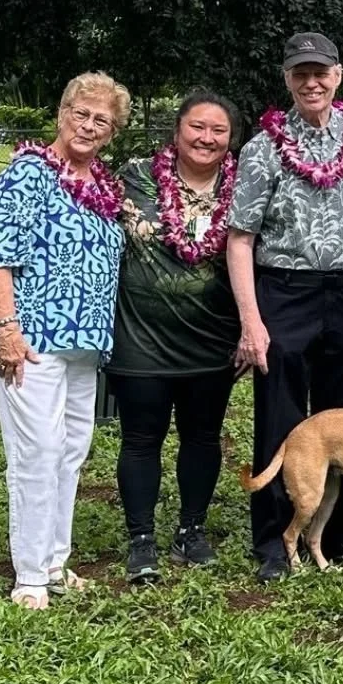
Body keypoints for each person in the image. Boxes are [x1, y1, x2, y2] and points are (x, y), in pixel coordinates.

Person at [227, 32, 343, 582]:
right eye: (301, 73)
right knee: (280, 413)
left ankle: (337, 531)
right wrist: (252, 321)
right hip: (286, 290)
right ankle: (275, 539)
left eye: (320, 71)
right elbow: (240, 238)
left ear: (338, 75)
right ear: (287, 79)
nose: (312, 81)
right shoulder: (262, 148)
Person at [0, 72, 131, 609]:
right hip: (31, 340)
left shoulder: (103, 186)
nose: (88, 126)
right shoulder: (28, 174)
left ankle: (55, 563)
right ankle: (29, 577)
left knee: (69, 452)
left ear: (112, 131)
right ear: (62, 113)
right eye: (80, 114)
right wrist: (6, 330)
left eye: (101, 120)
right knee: (36, 452)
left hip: (84, 345)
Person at [111, 92, 243, 584]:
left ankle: (193, 529)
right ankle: (141, 538)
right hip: (140, 338)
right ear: (177, 129)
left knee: (203, 436)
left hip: (211, 338)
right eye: (197, 127)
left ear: (230, 140)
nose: (206, 138)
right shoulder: (134, 177)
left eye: (219, 131)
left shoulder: (243, 187)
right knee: (142, 438)